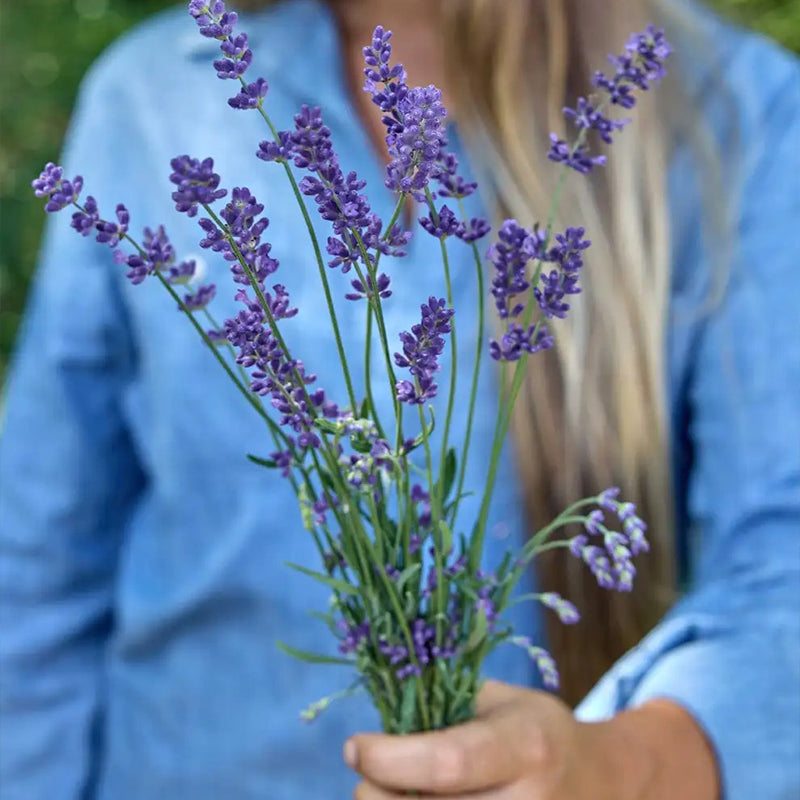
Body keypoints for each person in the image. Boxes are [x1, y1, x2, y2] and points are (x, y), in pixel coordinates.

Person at [1, 0, 797, 798]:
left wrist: (623, 767)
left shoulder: (733, 115)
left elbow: (782, 564)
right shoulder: (150, 99)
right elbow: (37, 565)